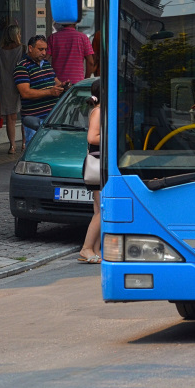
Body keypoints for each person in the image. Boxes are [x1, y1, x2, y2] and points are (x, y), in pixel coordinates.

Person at [14, 35, 65, 146]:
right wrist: (50, 92)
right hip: (34, 120)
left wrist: (64, 86)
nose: (44, 53)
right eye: (40, 49)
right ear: (30, 48)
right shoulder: (22, 67)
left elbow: (56, 81)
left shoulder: (46, 64)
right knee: (35, 151)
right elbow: (25, 93)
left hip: (51, 118)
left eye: (45, 49)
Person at [79, 78, 102, 264]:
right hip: (99, 162)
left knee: (98, 208)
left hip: (99, 162)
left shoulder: (98, 110)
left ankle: (95, 250)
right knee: (103, 209)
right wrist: (111, 136)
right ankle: (86, 248)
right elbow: (92, 137)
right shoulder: (99, 111)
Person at [0, 24, 24, 154]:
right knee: (25, 115)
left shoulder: (0, 51)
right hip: (22, 83)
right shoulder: (22, 49)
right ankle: (24, 143)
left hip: (5, 85)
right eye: (19, 33)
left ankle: (12, 146)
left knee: (10, 118)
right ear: (15, 35)